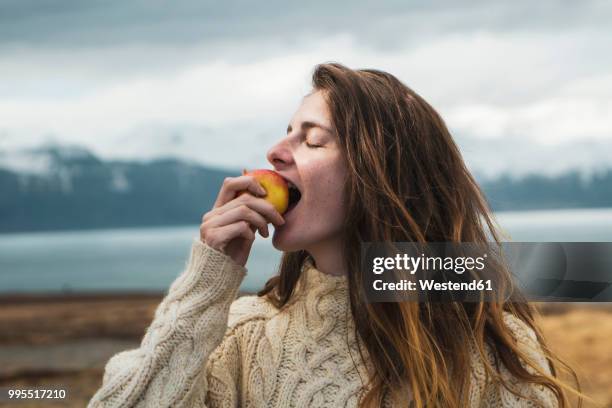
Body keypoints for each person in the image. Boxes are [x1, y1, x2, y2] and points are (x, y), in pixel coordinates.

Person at [88, 63, 581, 407]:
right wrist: (206, 282)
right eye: (286, 132)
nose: (276, 152)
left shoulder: (485, 346)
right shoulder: (241, 338)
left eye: (312, 138)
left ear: (379, 172)